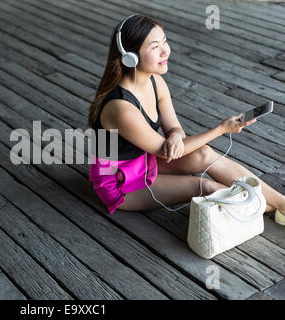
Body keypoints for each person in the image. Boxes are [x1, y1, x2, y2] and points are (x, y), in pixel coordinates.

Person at [87, 14, 285, 224]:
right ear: (130, 56)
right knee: (205, 186)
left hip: (145, 160)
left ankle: (281, 204)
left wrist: (174, 135)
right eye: (155, 47)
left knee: (204, 154)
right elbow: (164, 151)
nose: (166, 51)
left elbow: (175, 129)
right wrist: (220, 129)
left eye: (165, 41)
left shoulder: (157, 82)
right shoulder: (121, 108)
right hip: (120, 183)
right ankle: (271, 206)